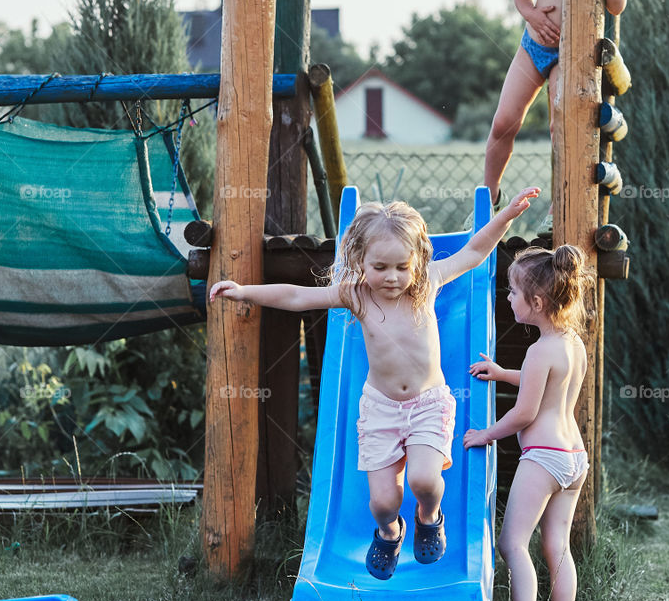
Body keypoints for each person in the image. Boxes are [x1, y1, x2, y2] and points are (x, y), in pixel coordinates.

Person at [210, 188, 540, 580]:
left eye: (402, 266)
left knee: (424, 479)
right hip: (380, 409)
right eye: (380, 266)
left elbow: (473, 252)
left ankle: (429, 516)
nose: (392, 277)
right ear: (361, 261)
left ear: (418, 260)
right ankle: (389, 532)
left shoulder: (428, 282)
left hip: (427, 405)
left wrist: (507, 217)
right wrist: (244, 291)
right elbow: (298, 295)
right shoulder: (357, 296)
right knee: (382, 502)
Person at [464, 243, 591, 601]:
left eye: (513, 293)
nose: (508, 298)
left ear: (536, 303)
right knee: (557, 547)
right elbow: (547, 384)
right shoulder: (571, 342)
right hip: (574, 456)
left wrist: (486, 434)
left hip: (543, 456)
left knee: (512, 543)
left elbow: (525, 413)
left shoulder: (539, 350)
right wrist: (503, 373)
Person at [484, 0, 626, 209]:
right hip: (533, 47)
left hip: (570, 54)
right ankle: (488, 200)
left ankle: (561, 207)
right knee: (504, 122)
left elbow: (616, 5)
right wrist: (532, 14)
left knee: (560, 127)